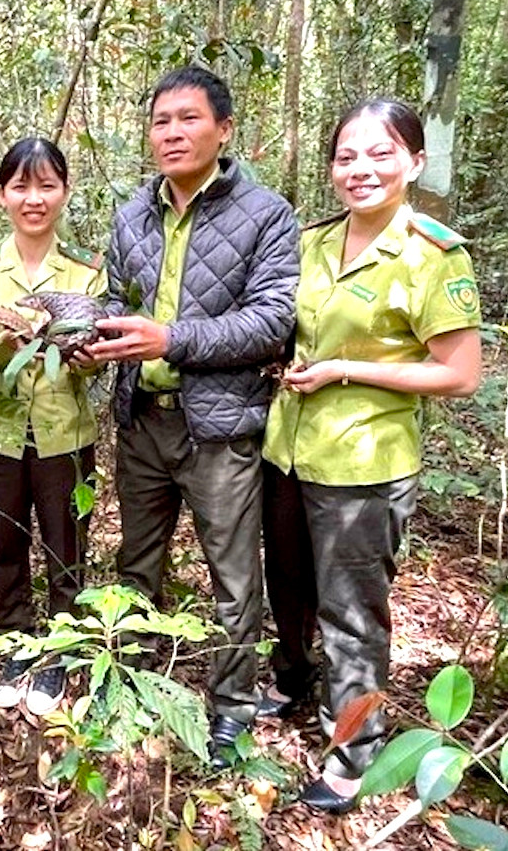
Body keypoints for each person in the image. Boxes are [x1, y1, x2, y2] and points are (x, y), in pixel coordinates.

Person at [261, 98, 482, 813]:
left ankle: (354, 751)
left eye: (381, 153)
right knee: (287, 583)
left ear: (415, 161)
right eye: (347, 155)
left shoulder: (432, 252)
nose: (362, 169)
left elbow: (459, 372)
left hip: (366, 463)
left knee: (351, 612)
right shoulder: (312, 242)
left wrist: (347, 370)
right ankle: (291, 680)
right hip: (291, 449)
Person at [85, 65, 298, 768]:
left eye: (188, 119)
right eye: (160, 122)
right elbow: (118, 306)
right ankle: (134, 684)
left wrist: (171, 339)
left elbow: (271, 322)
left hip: (221, 429)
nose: (172, 133)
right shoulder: (131, 214)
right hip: (142, 419)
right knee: (135, 562)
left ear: (224, 129)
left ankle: (231, 708)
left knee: (234, 574)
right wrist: (93, 338)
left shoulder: (266, 214)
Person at [0, 138, 106, 715]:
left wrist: (86, 353)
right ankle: (16, 643)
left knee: (66, 545)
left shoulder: (87, 274)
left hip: (65, 433)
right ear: (2, 195)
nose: (34, 198)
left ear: (64, 193)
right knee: (7, 544)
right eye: (21, 186)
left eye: (46, 186)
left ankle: (63, 648)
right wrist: (4, 337)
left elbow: (88, 344)